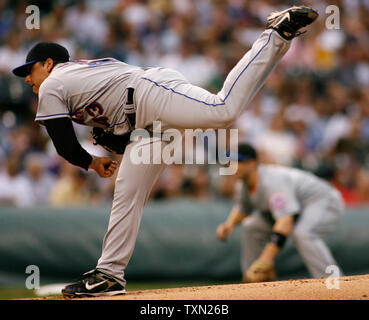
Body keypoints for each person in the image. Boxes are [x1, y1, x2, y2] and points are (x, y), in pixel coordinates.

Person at [12, 6, 318, 297]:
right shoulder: (78, 78)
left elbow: (64, 145)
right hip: (146, 122)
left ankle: (275, 34)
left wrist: (92, 163)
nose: (27, 79)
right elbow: (112, 121)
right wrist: (116, 136)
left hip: (150, 93)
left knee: (223, 109)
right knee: (127, 190)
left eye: (30, 69)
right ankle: (109, 275)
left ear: (49, 64)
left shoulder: (53, 84)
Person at [216, 143, 345, 283]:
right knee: (251, 226)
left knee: (303, 233)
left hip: (323, 200)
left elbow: (285, 221)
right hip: (297, 209)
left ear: (252, 164)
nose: (231, 165)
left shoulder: (271, 182)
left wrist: (266, 258)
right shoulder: (243, 184)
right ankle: (252, 284)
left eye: (237, 161)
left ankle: (334, 283)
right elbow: (243, 208)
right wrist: (229, 224)